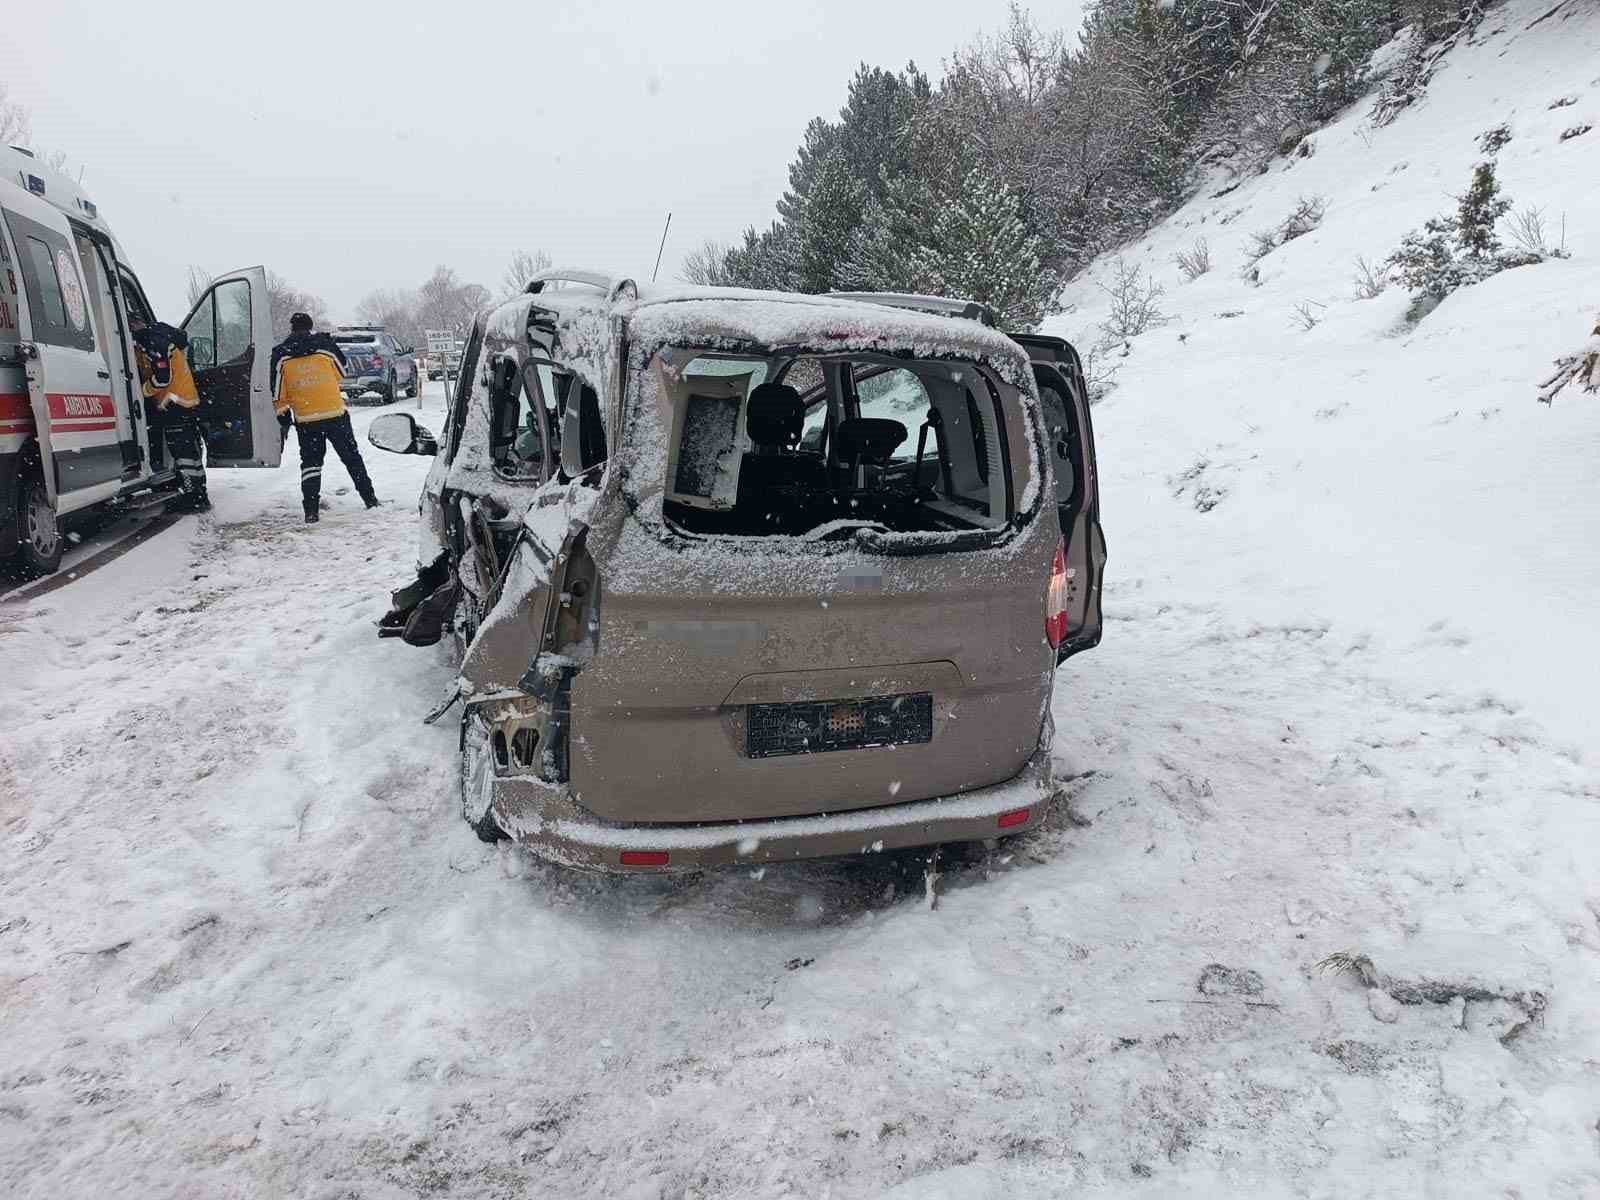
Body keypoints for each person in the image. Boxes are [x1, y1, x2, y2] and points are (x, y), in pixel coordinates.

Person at [270, 312, 379, 523]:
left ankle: (311, 511)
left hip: (306, 418)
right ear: (310, 326)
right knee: (351, 458)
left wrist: (283, 417)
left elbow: (276, 392)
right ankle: (370, 499)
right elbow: (341, 372)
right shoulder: (325, 347)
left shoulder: (280, 355)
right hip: (334, 413)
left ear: (291, 328)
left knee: (311, 463)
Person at [130, 314, 209, 512]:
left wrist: (141, 391)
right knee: (190, 454)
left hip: (174, 403)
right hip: (182, 401)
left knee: (182, 454)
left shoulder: (153, 342)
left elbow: (163, 378)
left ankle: (193, 497)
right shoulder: (159, 337)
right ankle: (199, 494)